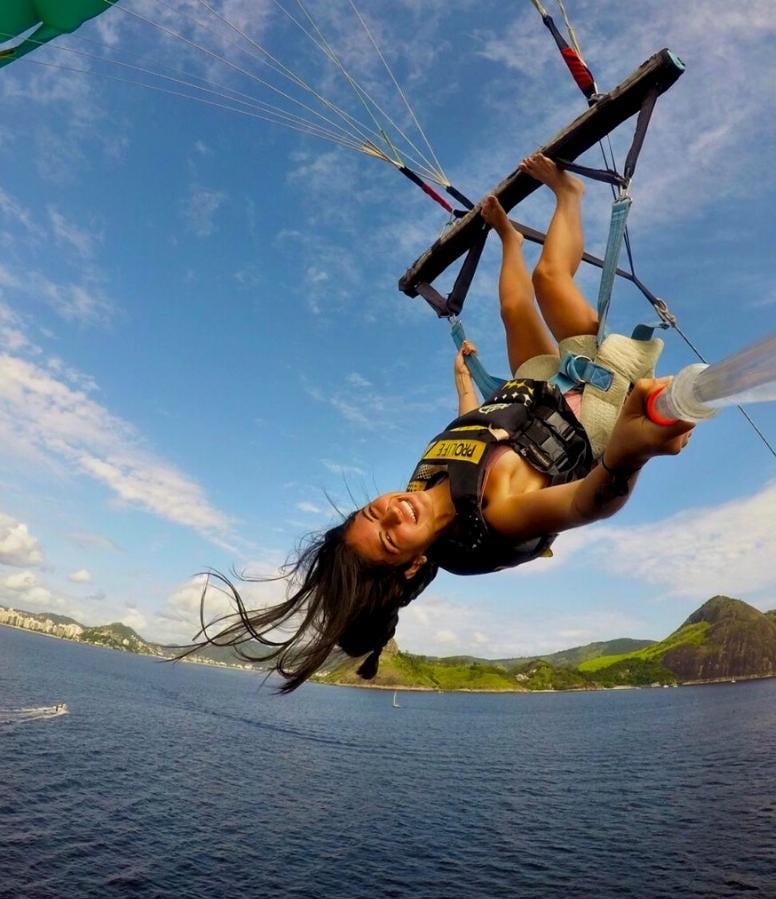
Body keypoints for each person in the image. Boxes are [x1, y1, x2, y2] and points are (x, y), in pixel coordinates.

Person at [189, 154, 693, 691]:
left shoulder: (424, 480)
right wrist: (632, 452)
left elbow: (473, 438)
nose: (391, 512)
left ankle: (511, 241)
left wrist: (463, 383)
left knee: (512, 306)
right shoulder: (496, 516)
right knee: (550, 279)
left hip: (532, 386)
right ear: (409, 566)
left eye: (371, 512)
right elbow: (584, 503)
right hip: (596, 393)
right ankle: (570, 196)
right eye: (389, 537)